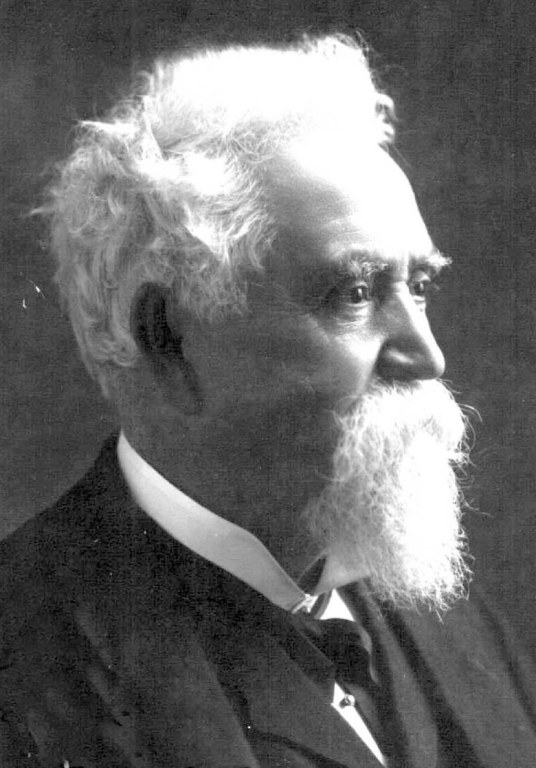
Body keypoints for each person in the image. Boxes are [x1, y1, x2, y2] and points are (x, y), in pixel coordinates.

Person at [0, 34, 534, 768]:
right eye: (355, 293)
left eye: (418, 288)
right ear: (166, 337)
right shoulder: (23, 668)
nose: (428, 356)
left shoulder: (456, 623)